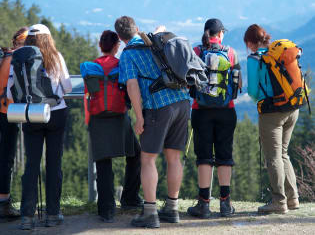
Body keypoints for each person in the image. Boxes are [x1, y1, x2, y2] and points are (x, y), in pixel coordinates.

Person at [115, 16, 191, 229]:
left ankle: (150, 212)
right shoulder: (156, 41)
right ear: (137, 29)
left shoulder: (128, 55)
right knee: (174, 157)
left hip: (158, 107)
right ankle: (172, 208)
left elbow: (132, 86)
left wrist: (139, 118)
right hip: (182, 101)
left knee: (148, 160)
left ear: (121, 38)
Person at [6, 24, 72, 229]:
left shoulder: (19, 58)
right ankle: (53, 213)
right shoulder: (56, 56)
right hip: (56, 113)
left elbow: (10, 93)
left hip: (30, 114)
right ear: (48, 38)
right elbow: (68, 87)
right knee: (54, 164)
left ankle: (27, 216)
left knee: (31, 164)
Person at [85, 30, 142, 223]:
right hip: (120, 117)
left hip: (98, 119)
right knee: (136, 154)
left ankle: (106, 210)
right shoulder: (121, 65)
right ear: (117, 46)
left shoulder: (91, 67)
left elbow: (88, 95)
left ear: (101, 46)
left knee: (103, 163)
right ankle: (130, 198)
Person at [187, 18, 241, 218]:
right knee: (224, 156)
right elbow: (237, 86)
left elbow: (188, 81)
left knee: (204, 157)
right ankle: (225, 204)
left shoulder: (196, 51)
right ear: (220, 34)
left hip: (200, 111)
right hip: (227, 110)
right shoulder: (232, 53)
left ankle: (204, 204)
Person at [244, 24, 299, 214]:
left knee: (273, 157)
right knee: (283, 153)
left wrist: (261, 100)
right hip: (292, 107)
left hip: (272, 112)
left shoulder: (254, 58)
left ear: (251, 43)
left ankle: (279, 201)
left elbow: (252, 91)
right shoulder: (277, 50)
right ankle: (293, 199)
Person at [0, 27, 28, 219]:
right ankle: (3, 203)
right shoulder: (17, 59)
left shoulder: (4, 56)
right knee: (6, 157)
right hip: (8, 112)